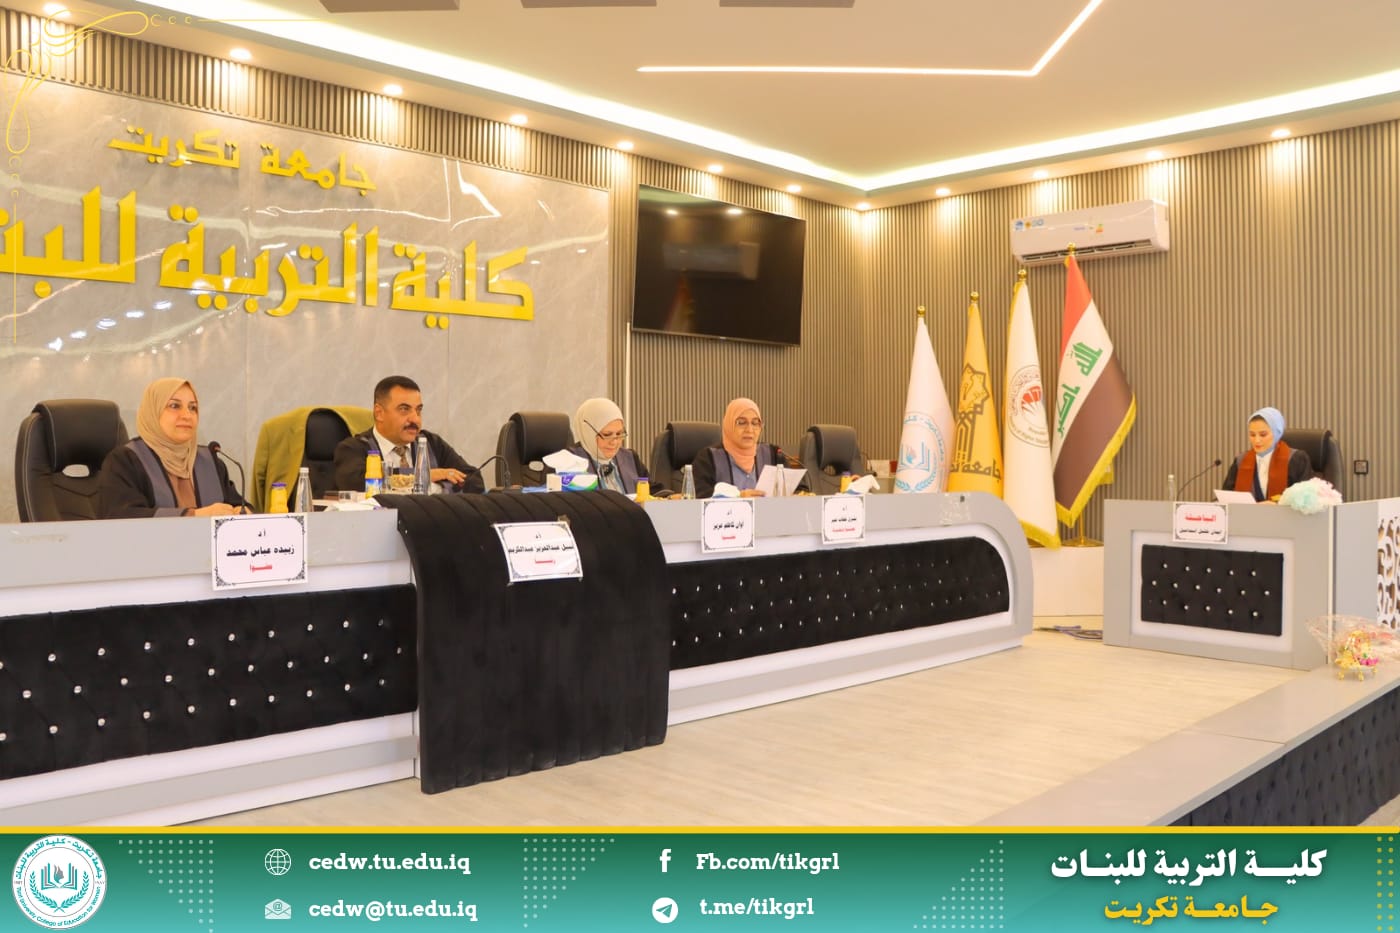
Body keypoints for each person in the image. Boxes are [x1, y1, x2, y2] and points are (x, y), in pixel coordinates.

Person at [98, 377, 248, 518]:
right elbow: (122, 516)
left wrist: (243, 513)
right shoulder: (125, 461)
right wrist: (194, 515)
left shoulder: (210, 462)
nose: (187, 415)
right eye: (175, 406)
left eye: (193, 408)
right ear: (153, 411)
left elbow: (239, 505)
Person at [333, 375, 484, 494]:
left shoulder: (431, 443)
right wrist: (423, 477)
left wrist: (436, 486)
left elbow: (475, 481)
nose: (415, 419)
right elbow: (356, 484)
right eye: (404, 409)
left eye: (418, 410)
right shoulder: (353, 448)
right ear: (379, 413)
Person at [690, 397, 807, 498]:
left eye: (755, 423)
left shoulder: (773, 454)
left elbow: (800, 489)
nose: (749, 430)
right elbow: (698, 496)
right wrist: (738, 497)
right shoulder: (708, 458)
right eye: (741, 422)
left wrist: (797, 495)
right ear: (729, 425)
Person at [1221, 406, 1311, 502]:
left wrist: (1278, 504)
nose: (1257, 440)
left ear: (1277, 433)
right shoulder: (1241, 460)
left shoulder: (1296, 459)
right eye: (1252, 435)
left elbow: (1307, 498)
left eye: (1263, 435)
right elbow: (1227, 496)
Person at [568, 397, 656, 495]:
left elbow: (655, 492)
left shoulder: (630, 458)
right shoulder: (567, 462)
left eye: (619, 434)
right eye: (607, 435)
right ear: (588, 432)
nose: (614, 442)